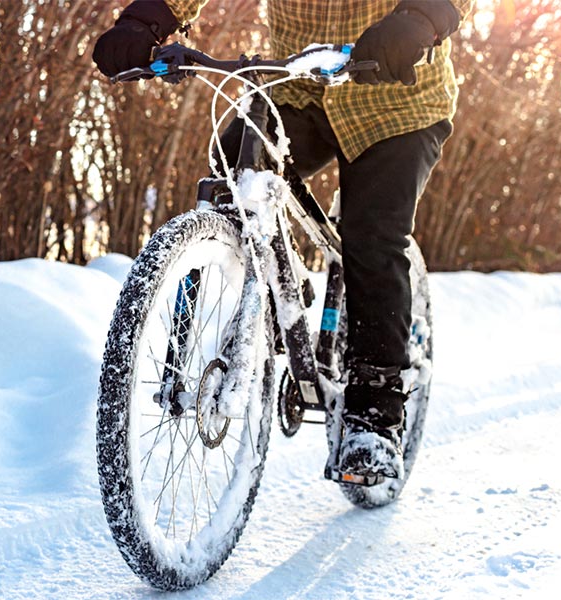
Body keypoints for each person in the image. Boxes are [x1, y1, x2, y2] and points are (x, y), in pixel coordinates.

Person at [92, 0, 472, 481]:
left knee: (371, 233)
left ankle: (373, 415)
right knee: (231, 168)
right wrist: (144, 22)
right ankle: (274, 291)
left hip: (394, 98)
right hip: (297, 92)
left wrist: (419, 19)